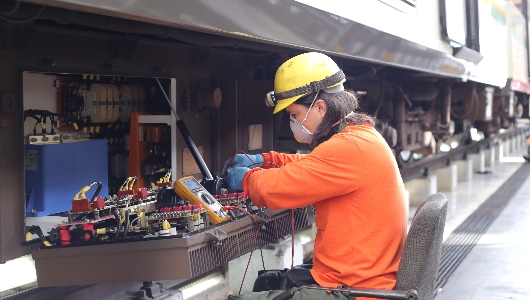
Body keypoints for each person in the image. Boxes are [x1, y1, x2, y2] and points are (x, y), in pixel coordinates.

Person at [224, 52, 407, 300]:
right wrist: (268, 160)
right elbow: (314, 165)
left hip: (356, 291)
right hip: (356, 277)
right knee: (266, 282)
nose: (293, 122)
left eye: (295, 115)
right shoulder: (359, 136)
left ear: (320, 107)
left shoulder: (348, 148)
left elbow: (274, 189)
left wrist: (246, 179)